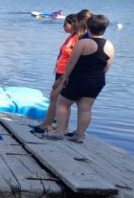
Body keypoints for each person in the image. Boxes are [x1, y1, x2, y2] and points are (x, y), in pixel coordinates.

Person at [47, 15, 114, 143]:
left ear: (88, 27)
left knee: (62, 103)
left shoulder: (83, 43)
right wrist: (99, 77)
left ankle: (59, 132)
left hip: (79, 78)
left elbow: (71, 62)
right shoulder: (109, 45)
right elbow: (107, 65)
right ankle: (79, 135)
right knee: (85, 108)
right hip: (97, 80)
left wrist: (64, 78)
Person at [31, 14, 79, 134]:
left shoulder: (77, 38)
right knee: (61, 100)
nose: (63, 27)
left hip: (65, 73)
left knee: (55, 98)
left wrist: (64, 76)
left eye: (65, 24)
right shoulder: (71, 37)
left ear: (73, 24)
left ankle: (47, 125)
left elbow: (74, 59)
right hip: (60, 71)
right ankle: (61, 127)